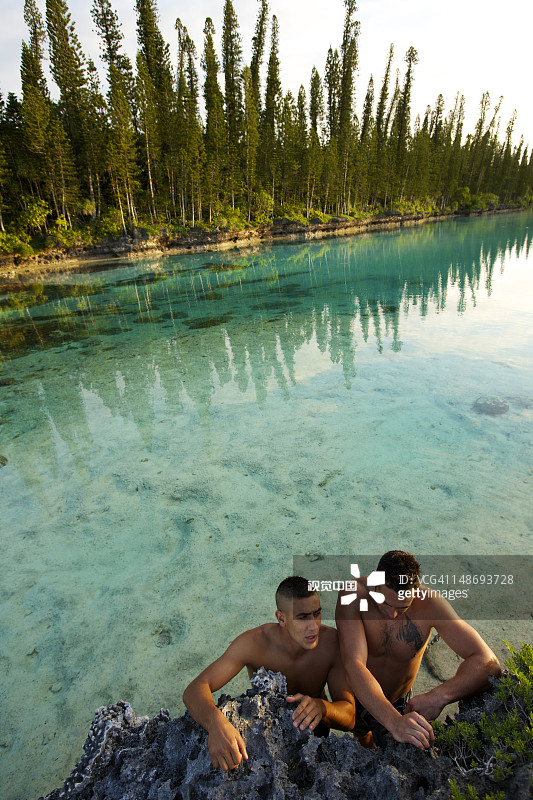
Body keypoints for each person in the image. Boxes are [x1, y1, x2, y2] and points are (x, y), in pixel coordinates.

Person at [183, 576, 356, 771]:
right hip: (265, 740)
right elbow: (195, 689)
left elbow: (349, 717)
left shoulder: (331, 644)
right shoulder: (254, 644)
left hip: (315, 735)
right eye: (303, 617)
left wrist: (323, 707)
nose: (313, 626)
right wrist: (216, 724)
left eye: (317, 614)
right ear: (281, 618)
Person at [335, 551, 501, 750]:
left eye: (402, 607)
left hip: (401, 703)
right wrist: (394, 722)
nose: (392, 614)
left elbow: (488, 662)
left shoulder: (430, 604)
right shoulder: (352, 593)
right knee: (363, 742)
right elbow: (354, 664)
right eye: (385, 602)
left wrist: (438, 697)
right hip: (358, 696)